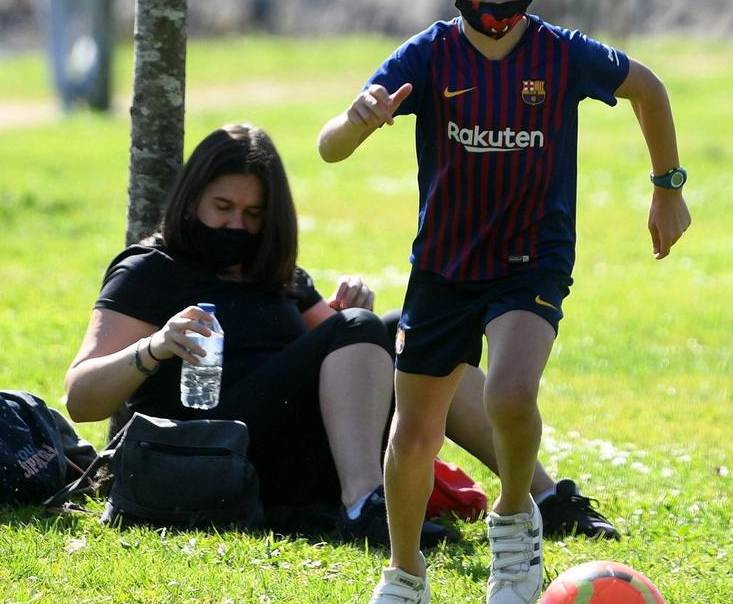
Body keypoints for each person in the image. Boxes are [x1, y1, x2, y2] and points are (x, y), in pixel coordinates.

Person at [318, 0, 691, 604]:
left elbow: (648, 89)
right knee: (413, 434)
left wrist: (667, 188)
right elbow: (329, 146)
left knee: (511, 393)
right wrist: (356, 123)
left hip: (532, 260)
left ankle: (516, 517)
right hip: (445, 265)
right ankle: (404, 576)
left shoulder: (562, 55)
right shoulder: (428, 56)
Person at [65, 122, 603, 548]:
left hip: (295, 451)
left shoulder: (277, 273)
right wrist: (155, 346)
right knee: (369, 331)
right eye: (222, 209)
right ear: (190, 202)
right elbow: (80, 397)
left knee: (408, 338)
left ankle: (545, 498)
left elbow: (348, 348)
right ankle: (364, 504)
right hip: (207, 449)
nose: (236, 227)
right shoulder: (151, 269)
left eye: (253, 215)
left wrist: (350, 315)